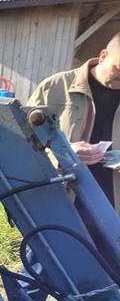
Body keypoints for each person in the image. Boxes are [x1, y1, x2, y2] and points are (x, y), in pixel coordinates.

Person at [27, 32, 120, 207]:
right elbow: (22, 142)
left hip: (113, 207)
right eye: (118, 68)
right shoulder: (54, 88)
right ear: (103, 56)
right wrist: (62, 153)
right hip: (61, 199)